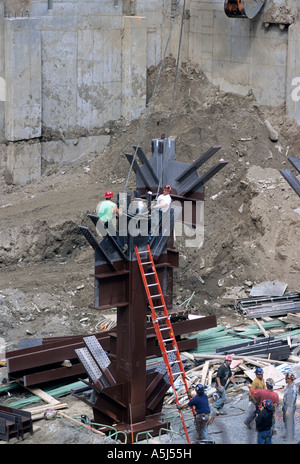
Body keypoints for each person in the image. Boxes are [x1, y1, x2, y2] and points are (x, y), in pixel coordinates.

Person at [282, 372, 298, 441]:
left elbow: (292, 401)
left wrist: (288, 410)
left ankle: (290, 437)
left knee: (290, 422)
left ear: (290, 379)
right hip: (286, 406)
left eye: (287, 378)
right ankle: (287, 434)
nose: (285, 379)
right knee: (286, 421)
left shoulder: (292, 389)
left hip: (289, 407)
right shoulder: (288, 386)